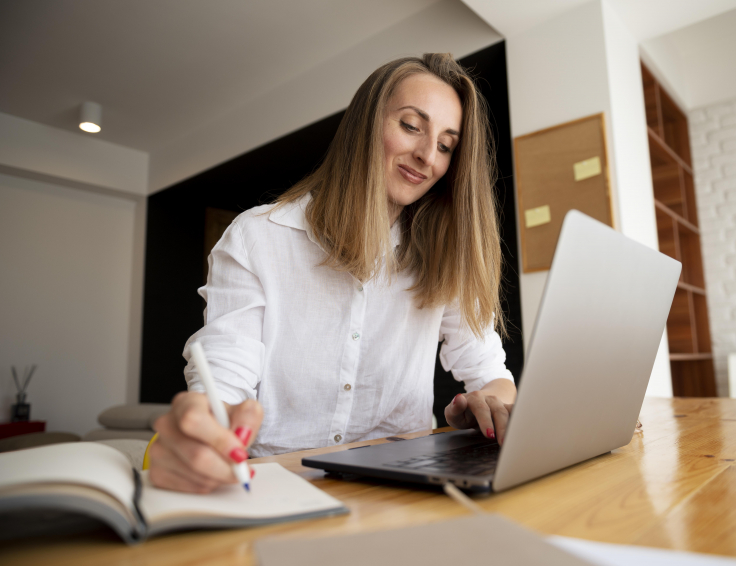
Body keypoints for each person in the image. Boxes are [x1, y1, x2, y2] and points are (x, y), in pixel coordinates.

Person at [148, 53, 516, 493]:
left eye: (445, 146)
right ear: (366, 124)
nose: (426, 157)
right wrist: (205, 430)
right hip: (279, 485)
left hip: (403, 491)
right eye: (412, 126)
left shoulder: (443, 254)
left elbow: (492, 374)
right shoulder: (257, 237)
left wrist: (486, 406)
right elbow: (223, 380)